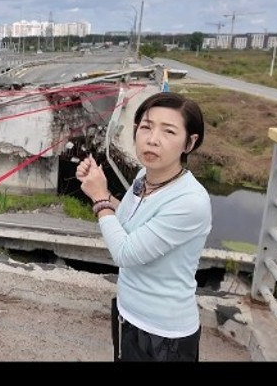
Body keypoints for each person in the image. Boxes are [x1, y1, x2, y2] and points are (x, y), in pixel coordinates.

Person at [75, 91, 211, 362]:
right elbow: (127, 221)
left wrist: (101, 198)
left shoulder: (190, 202)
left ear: (189, 142)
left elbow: (126, 254)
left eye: (169, 131)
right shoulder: (143, 178)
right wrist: (99, 186)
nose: (152, 139)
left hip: (165, 334)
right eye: (146, 127)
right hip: (128, 313)